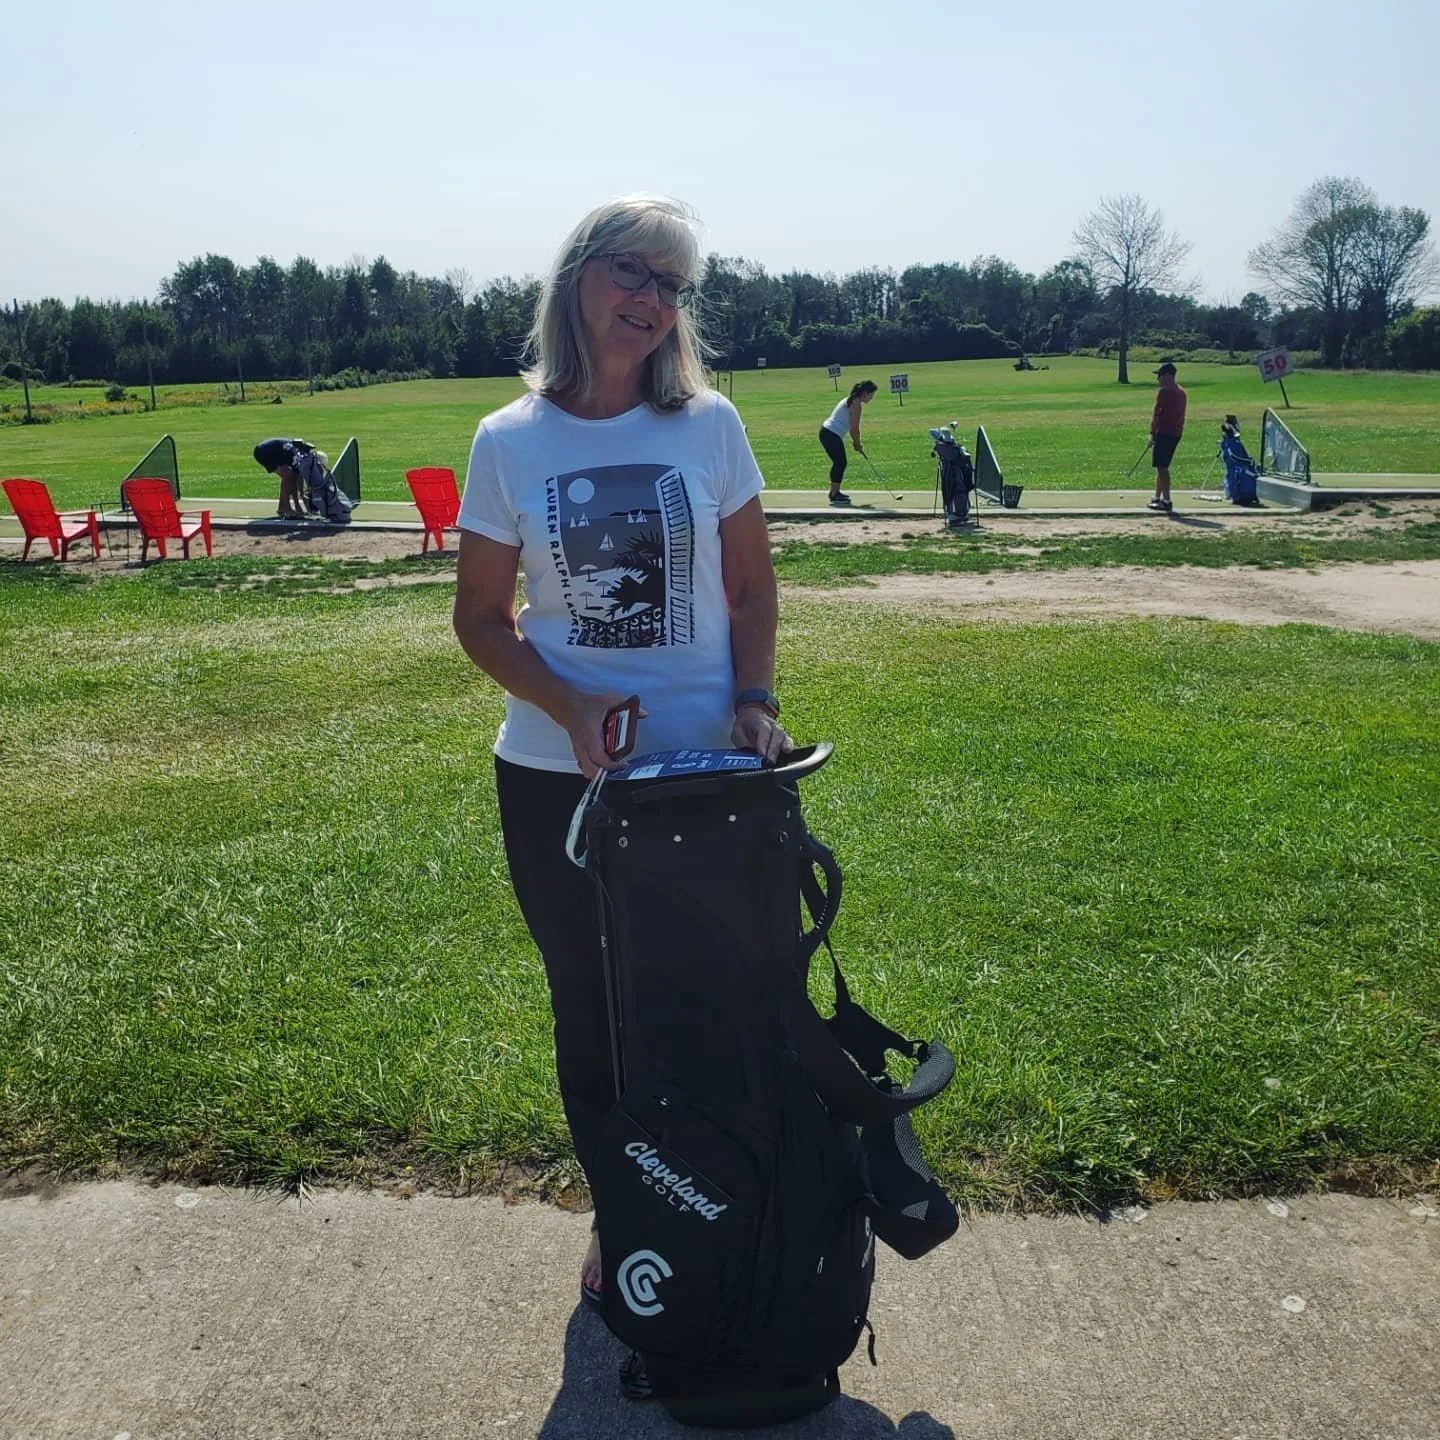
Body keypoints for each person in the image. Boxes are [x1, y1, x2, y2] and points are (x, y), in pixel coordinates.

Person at [450, 196, 794, 1324]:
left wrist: (753, 701)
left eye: (673, 286)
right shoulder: (509, 441)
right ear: (580, 278)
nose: (652, 301)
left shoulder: (710, 424)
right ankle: (627, 1207)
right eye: (633, 273)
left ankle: (729, 1193)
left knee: (712, 994)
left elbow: (749, 588)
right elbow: (484, 622)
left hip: (704, 769)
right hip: (556, 776)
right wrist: (573, 703)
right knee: (591, 1006)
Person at [818, 380, 877, 505]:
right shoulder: (856, 404)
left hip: (828, 433)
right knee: (840, 462)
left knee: (839, 462)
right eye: (871, 395)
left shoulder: (851, 400)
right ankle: (834, 494)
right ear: (865, 393)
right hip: (830, 434)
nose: (872, 398)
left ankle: (834, 492)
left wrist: (856, 443)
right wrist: (857, 444)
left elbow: (852, 429)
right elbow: (854, 429)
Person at [253, 437, 327, 519]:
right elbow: (296, 480)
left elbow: (296, 479)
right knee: (287, 475)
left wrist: (300, 499)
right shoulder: (303, 460)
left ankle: (282, 508)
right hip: (264, 451)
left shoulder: (304, 457)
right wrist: (298, 503)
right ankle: (285, 508)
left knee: (289, 475)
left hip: (268, 450)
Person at [1147, 362, 1187, 512]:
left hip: (1164, 432)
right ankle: (1157, 497)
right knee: (1161, 467)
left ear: (1169, 376)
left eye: (1160, 375)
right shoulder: (1181, 391)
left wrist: (1152, 433)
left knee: (1162, 468)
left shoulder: (1165, 392)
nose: (1158, 379)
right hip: (1175, 432)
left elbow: (1157, 414)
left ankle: (1167, 501)